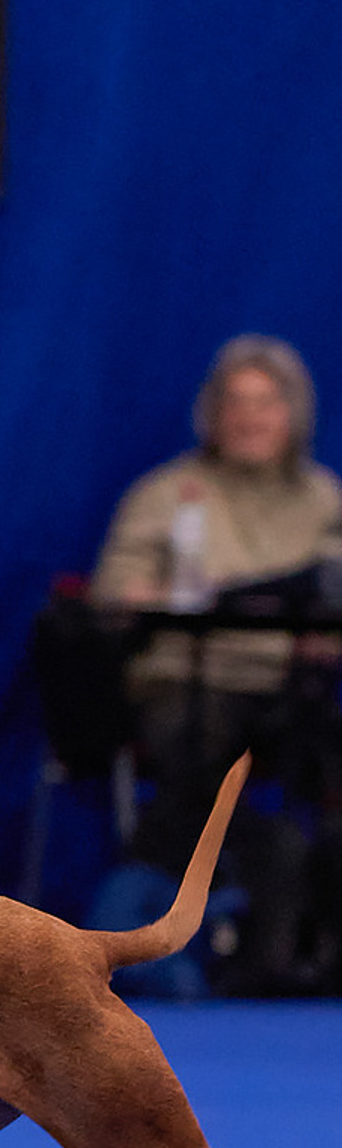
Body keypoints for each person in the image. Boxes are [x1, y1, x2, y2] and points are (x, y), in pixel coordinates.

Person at [90, 334, 342, 992]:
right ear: (211, 413)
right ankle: (212, 923)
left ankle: (305, 934)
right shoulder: (170, 493)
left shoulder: (324, 500)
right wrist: (164, 593)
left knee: (314, 755)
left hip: (292, 688)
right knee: (209, 751)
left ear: (295, 414)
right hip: (187, 682)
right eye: (236, 402)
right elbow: (113, 592)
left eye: (266, 402)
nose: (250, 417)